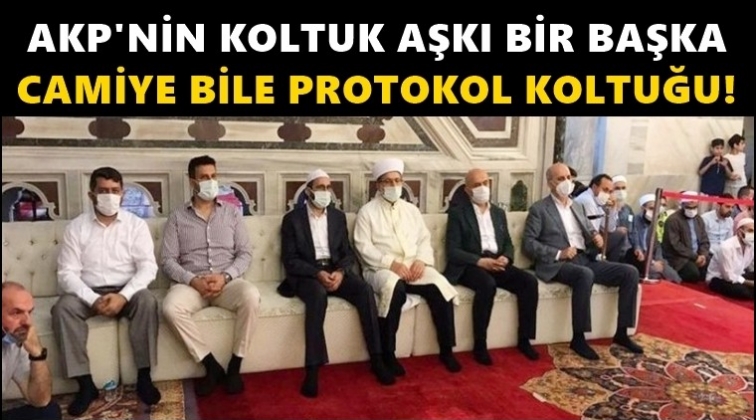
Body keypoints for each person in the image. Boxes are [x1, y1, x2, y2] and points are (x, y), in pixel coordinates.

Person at [52, 167, 161, 416]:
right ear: (92, 195)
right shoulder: (77, 227)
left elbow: (148, 267)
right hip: (89, 292)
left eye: (115, 191)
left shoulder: (136, 225)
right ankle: (85, 384)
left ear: (123, 194)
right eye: (103, 191)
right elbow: (67, 274)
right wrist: (93, 299)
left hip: (127, 291)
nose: (110, 196)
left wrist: (123, 296)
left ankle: (144, 377)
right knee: (62, 308)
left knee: (147, 301)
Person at [278, 169, 394, 398]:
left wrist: (340, 271)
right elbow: (290, 260)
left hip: (335, 270)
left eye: (328, 187)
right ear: (309, 191)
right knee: (317, 295)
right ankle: (312, 368)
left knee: (364, 290)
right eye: (320, 187)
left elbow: (347, 253)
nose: (325, 192)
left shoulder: (337, 217)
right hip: (308, 274)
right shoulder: (292, 219)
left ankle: (377, 358)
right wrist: (317, 273)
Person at [161, 155, 261, 396]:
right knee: (170, 308)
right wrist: (193, 280)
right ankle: (211, 365)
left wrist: (225, 276)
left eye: (213, 176)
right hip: (191, 284)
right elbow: (167, 260)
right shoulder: (177, 217)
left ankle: (235, 365)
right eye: (204, 177)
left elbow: (245, 253)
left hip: (226, 282)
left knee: (251, 296)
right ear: (192, 181)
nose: (210, 181)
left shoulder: (232, 213)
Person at [522, 163, 642, 360]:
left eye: (569, 178)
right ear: (550, 183)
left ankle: (622, 332)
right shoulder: (540, 209)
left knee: (630, 272)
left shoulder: (577, 206)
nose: (566, 182)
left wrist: (595, 237)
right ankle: (579, 337)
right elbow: (529, 243)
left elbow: (588, 231)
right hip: (559, 263)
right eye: (561, 179)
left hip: (584, 257)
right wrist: (558, 253)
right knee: (584, 275)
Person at [354, 158, 461, 375]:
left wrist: (421, 260)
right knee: (394, 289)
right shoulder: (367, 212)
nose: (394, 185)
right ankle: (388, 354)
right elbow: (363, 246)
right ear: (378, 185)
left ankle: (447, 350)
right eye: (388, 181)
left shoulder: (411, 210)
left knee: (440, 287)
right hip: (380, 269)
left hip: (413, 266)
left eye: (397, 180)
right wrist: (391, 264)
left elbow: (423, 239)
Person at [444, 169, 539, 365]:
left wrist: (506, 257)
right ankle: (480, 344)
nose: (482, 188)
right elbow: (453, 251)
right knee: (487, 285)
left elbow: (508, 243)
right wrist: (480, 261)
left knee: (529, 282)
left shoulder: (498, 213)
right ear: (467, 190)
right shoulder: (458, 213)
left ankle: (525, 339)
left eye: (485, 183)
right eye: (477, 185)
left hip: (496, 261)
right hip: (471, 264)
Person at [2, 282, 62, 420]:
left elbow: (40, 400)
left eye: (29, 312)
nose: (27, 322)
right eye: (16, 313)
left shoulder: (14, 340)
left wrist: (37, 355)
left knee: (48, 411)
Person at [626, 194, 681, 283]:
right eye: (651, 208)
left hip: (652, 256)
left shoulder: (653, 224)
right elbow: (632, 238)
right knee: (654, 272)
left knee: (674, 277)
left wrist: (659, 260)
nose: (654, 212)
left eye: (656, 209)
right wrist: (639, 250)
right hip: (636, 255)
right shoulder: (634, 220)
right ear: (643, 208)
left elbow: (656, 245)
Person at [574, 174, 628, 263]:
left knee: (621, 233)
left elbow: (610, 228)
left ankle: (611, 263)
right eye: (605, 190)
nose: (607, 194)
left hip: (593, 242)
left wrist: (613, 209)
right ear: (594, 187)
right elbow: (592, 234)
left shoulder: (596, 201)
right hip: (585, 246)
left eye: (610, 192)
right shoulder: (587, 201)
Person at [661, 191, 711, 282]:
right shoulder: (673, 220)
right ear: (683, 205)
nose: (692, 210)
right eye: (689, 207)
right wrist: (695, 257)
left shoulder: (698, 219)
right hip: (679, 257)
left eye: (694, 207)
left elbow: (704, 240)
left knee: (711, 270)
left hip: (698, 255)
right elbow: (675, 245)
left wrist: (703, 255)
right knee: (693, 274)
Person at [706, 218, 754, 300]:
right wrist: (749, 283)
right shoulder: (726, 247)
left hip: (738, 275)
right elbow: (728, 276)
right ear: (740, 232)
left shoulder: (751, 246)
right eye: (750, 231)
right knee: (743, 292)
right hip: (719, 279)